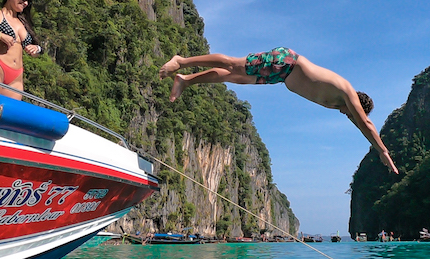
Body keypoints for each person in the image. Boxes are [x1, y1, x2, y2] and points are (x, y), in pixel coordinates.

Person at [159, 48, 399, 173]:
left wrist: (375, 145)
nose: (348, 116)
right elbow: (366, 124)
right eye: (352, 113)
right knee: (233, 64)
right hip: (286, 62)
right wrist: (383, 152)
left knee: (232, 77)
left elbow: (363, 126)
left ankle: (186, 80)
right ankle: (181, 61)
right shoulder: (347, 93)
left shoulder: (340, 103)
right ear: (357, 104)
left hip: (281, 75)